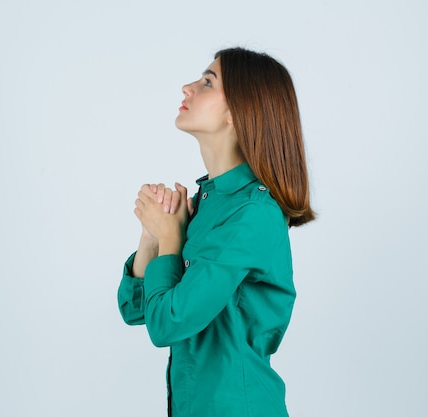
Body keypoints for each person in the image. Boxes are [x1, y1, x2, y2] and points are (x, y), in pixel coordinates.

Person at [117, 47, 315, 417]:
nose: (188, 87)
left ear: (238, 112)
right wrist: (153, 236)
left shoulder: (253, 215)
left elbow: (166, 325)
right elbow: (134, 309)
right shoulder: (208, 200)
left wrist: (172, 239)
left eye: (208, 82)